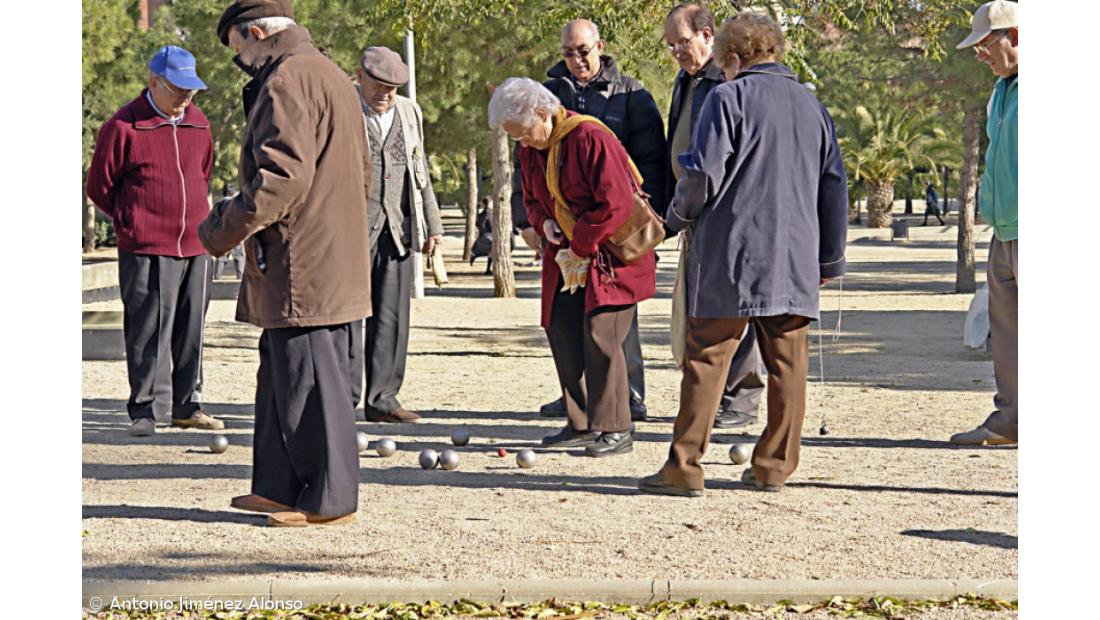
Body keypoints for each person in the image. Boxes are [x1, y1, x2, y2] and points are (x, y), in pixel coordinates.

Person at [639, 12, 848, 496]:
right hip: (795, 259)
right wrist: (829, 261)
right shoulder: (812, 106)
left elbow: (703, 173)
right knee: (788, 366)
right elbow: (833, 185)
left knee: (707, 359)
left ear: (731, 58)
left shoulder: (726, 97)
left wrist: (674, 218)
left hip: (733, 253)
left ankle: (685, 467)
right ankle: (774, 466)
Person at [200, 0, 372, 527]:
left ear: (256, 32)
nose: (242, 63)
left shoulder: (289, 79)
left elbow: (282, 178)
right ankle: (279, 487)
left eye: (239, 51)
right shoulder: (328, 73)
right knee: (282, 376)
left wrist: (222, 225)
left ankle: (328, 499)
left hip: (303, 260)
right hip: (319, 253)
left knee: (312, 379)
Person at [490, 77, 658, 457]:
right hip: (566, 255)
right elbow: (532, 197)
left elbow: (614, 204)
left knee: (602, 335)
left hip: (610, 257)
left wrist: (581, 242)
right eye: (514, 137)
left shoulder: (589, 138)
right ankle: (580, 422)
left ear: (541, 113)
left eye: (523, 133)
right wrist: (542, 223)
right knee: (562, 328)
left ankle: (616, 427)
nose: (522, 143)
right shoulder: (532, 148)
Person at [513, 19, 667, 422]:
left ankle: (626, 397)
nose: (577, 59)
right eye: (568, 52)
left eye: (583, 50)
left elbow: (649, 163)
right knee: (570, 324)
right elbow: (530, 169)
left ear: (600, 46)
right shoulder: (549, 93)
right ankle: (582, 406)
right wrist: (532, 220)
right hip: (569, 226)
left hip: (615, 225)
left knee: (613, 326)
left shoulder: (631, 94)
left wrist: (648, 223)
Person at [86, 45, 224, 437]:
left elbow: (204, 173)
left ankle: (188, 405)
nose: (186, 98)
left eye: (191, 90)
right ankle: (145, 409)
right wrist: (131, 221)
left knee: (191, 329)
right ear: (153, 82)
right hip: (146, 247)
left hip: (196, 246)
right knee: (148, 331)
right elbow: (99, 187)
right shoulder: (123, 127)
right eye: (178, 89)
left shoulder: (200, 124)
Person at [664, 2, 766, 429]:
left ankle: (741, 400)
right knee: (701, 308)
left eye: (682, 42)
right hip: (695, 213)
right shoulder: (684, 81)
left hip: (727, 211)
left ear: (708, 35)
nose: (676, 53)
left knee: (742, 305)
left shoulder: (727, 81)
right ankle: (712, 394)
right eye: (669, 46)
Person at [347, 46, 445, 424]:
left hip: (398, 230)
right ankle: (345, 398)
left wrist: (433, 226)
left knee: (392, 318)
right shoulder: (344, 108)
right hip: (352, 232)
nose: (386, 94)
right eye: (379, 85)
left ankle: (383, 399)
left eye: (393, 87)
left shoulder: (409, 111)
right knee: (349, 319)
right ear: (360, 76)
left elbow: (420, 172)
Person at [951, 0, 1018, 446]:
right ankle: (1011, 421)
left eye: (986, 44)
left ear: (1015, 38)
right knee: (1009, 335)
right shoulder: (1000, 92)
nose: (980, 55)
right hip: (1005, 231)